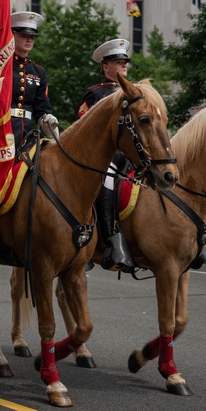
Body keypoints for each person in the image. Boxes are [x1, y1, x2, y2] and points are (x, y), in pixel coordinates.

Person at [78, 38, 134, 272]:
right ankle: (110, 239)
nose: (123, 67)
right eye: (118, 63)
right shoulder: (95, 94)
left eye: (125, 63)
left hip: (133, 155)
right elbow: (83, 129)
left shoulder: (135, 92)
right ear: (106, 67)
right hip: (105, 158)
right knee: (108, 179)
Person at [9, 11, 58, 149]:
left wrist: (48, 120)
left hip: (28, 136)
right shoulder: (1, 67)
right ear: (12, 35)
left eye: (32, 36)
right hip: (0, 131)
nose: (29, 40)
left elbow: (41, 109)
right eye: (24, 35)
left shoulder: (38, 71)